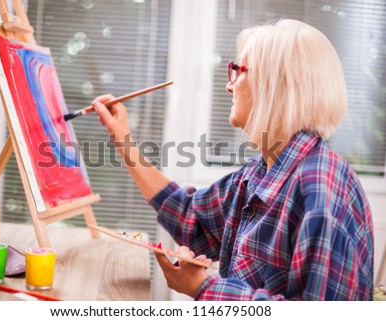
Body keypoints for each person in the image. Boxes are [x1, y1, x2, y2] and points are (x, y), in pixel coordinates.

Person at [91, 19, 374, 300]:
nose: (230, 86)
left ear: (272, 84)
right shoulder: (260, 172)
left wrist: (204, 288)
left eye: (237, 71)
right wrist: (123, 141)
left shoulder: (321, 186)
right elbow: (193, 219)